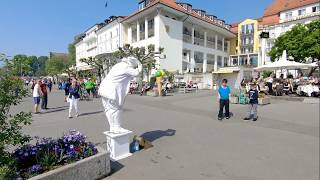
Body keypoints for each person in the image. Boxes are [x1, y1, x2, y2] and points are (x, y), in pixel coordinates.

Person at [99, 56, 142, 133]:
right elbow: (137, 72)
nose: (133, 67)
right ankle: (117, 127)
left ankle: (112, 127)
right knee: (116, 109)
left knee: (108, 109)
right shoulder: (126, 67)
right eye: (133, 66)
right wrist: (139, 64)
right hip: (111, 91)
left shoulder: (118, 65)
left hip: (104, 89)